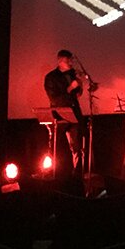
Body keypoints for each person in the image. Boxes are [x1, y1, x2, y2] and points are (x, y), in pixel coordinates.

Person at [44, 49, 85, 178]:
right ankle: (55, 173)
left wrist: (80, 85)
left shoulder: (72, 74)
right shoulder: (51, 77)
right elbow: (54, 99)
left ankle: (77, 173)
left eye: (72, 60)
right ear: (61, 61)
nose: (72, 63)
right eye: (69, 61)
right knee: (57, 146)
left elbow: (77, 94)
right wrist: (70, 88)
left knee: (76, 146)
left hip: (74, 113)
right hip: (60, 115)